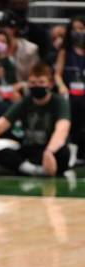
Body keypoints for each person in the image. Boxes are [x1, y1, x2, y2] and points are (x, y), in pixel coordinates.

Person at [0, 62, 71, 176]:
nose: (37, 86)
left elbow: (62, 130)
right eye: (33, 82)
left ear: (50, 84)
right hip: (29, 149)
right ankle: (33, 170)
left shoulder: (59, 102)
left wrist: (49, 152)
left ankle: (23, 168)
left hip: (49, 149)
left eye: (41, 82)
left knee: (64, 153)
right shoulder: (25, 102)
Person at [55, 15, 85, 159]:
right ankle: (71, 146)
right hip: (69, 92)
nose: (77, 32)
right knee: (73, 104)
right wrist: (61, 86)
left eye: (81, 28)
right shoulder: (64, 51)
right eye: (74, 29)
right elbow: (57, 75)